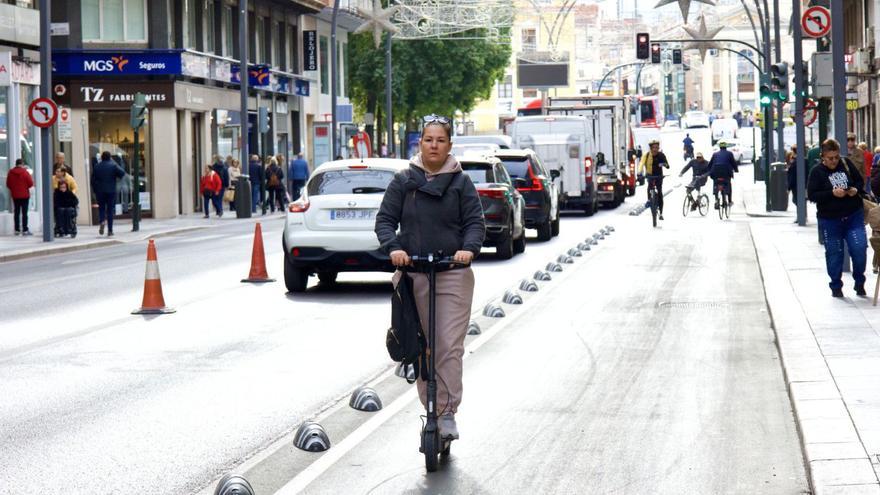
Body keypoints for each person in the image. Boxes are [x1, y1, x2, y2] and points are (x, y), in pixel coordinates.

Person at [374, 114, 485, 440]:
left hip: (452, 273)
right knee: (423, 347)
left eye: (440, 140)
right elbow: (384, 221)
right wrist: (394, 248)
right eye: (428, 140)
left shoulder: (461, 182)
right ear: (419, 143)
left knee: (448, 346)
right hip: (414, 275)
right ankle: (431, 408)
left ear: (449, 145)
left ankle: (447, 413)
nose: (433, 145)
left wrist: (468, 249)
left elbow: (475, 224)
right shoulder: (403, 180)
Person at [807, 138, 868, 298]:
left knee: (859, 247)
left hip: (853, 214)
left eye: (836, 157)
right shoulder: (817, 172)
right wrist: (831, 193)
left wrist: (854, 189)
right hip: (830, 219)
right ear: (823, 157)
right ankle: (835, 285)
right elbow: (812, 195)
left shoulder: (846, 164)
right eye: (830, 158)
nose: (834, 161)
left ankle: (860, 281)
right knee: (835, 253)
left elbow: (859, 181)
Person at [91, 150, 126, 236]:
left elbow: (92, 180)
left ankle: (102, 221)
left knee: (101, 208)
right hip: (111, 191)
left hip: (100, 191)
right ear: (110, 157)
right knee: (110, 210)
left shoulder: (97, 166)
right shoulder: (113, 165)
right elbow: (122, 173)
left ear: (102, 157)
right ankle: (110, 230)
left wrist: (95, 190)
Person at [638, 138, 670, 220]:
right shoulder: (647, 155)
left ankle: (661, 212)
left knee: (659, 192)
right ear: (651, 148)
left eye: (657, 147)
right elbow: (641, 163)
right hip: (650, 175)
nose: (655, 149)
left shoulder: (661, 155)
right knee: (649, 188)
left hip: (659, 176)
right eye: (654, 147)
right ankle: (649, 200)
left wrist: (664, 164)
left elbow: (667, 166)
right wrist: (639, 172)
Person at [706, 140, 739, 208]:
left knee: (716, 183)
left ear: (720, 147)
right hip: (726, 173)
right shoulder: (729, 153)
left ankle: (716, 200)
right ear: (726, 147)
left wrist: (708, 171)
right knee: (728, 185)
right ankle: (729, 201)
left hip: (716, 172)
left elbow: (710, 164)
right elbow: (733, 163)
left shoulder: (715, 154)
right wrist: (736, 170)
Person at [6, 158, 34, 235]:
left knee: (16, 212)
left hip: (15, 195)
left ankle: (17, 229)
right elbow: (31, 183)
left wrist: (14, 189)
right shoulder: (25, 173)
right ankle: (25, 229)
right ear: (22, 164)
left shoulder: (10, 173)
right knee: (24, 213)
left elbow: (8, 184)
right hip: (24, 195)